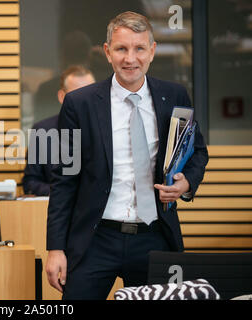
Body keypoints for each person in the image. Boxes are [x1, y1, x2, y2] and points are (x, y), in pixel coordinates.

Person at [45, 11, 209, 300]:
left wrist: (185, 185)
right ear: (108, 52)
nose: (130, 59)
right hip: (95, 239)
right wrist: (55, 248)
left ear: (152, 51)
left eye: (139, 49)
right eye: (121, 49)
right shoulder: (77, 104)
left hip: (155, 237)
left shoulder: (175, 96)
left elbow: (197, 151)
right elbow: (64, 179)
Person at [23, 65, 95, 196]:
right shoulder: (42, 131)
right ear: (62, 96)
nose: (86, 100)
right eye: (78, 95)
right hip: (59, 208)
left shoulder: (109, 128)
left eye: (91, 94)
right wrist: (63, 192)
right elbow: (30, 183)